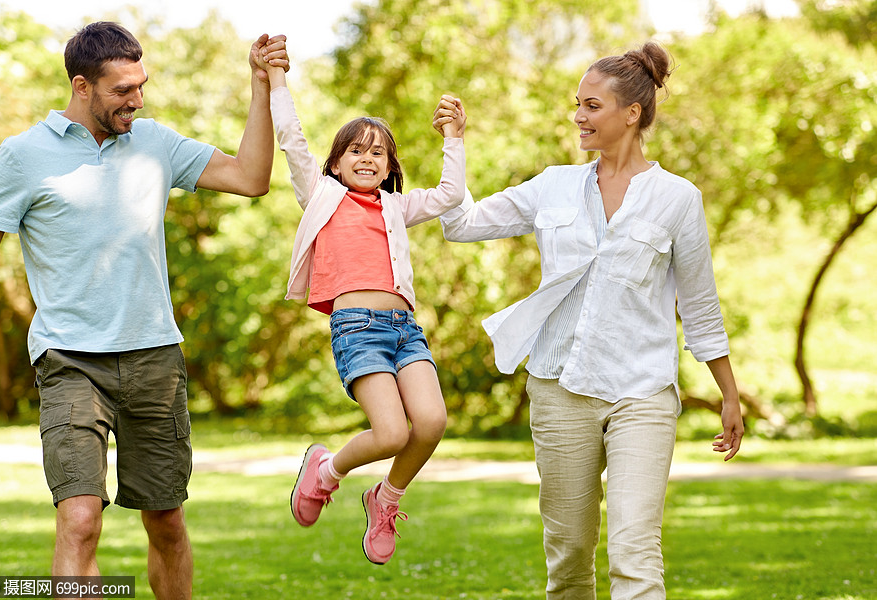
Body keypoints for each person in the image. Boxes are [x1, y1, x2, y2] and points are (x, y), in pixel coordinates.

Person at [0, 22, 288, 599]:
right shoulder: (23, 157)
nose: (137, 100)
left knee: (166, 521)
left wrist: (260, 86)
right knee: (79, 521)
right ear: (81, 86)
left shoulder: (155, 144)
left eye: (141, 86)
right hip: (70, 359)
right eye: (123, 90)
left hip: (154, 358)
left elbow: (251, 178)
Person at [435, 42, 744, 599]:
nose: (579, 116)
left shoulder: (678, 199)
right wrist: (454, 145)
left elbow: (699, 304)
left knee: (634, 548)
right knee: (571, 557)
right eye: (577, 103)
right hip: (559, 388)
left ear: (632, 114)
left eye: (592, 105)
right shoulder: (553, 185)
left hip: (642, 393)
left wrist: (728, 393)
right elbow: (460, 224)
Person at [256, 38, 466, 565]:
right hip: (357, 327)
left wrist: (453, 138)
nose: (368, 158)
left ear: (390, 164)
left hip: (405, 330)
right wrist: (277, 77)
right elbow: (291, 138)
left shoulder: (397, 208)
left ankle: (385, 498)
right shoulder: (321, 195)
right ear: (336, 162)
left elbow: (450, 196)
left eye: (378, 151)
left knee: (433, 422)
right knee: (392, 432)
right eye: (356, 149)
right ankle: (326, 471)